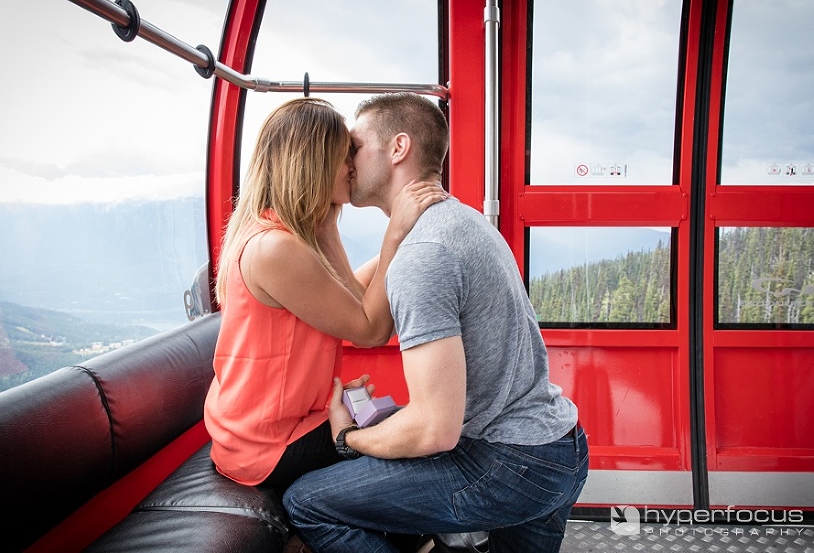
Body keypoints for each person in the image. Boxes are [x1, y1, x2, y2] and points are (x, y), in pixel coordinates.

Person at [283, 92, 588, 553]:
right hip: (559, 444)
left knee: (305, 502)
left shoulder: (424, 255)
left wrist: (351, 438)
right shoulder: (460, 221)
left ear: (398, 148)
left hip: (510, 465)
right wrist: (328, 222)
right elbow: (355, 295)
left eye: (354, 148)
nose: (344, 162)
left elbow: (434, 430)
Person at [204, 97, 446, 493]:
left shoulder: (290, 233)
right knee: (419, 443)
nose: (353, 167)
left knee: (410, 430)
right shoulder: (276, 249)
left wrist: (331, 225)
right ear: (311, 165)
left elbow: (352, 290)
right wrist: (395, 233)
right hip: (265, 445)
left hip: (279, 423)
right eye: (343, 157)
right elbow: (371, 330)